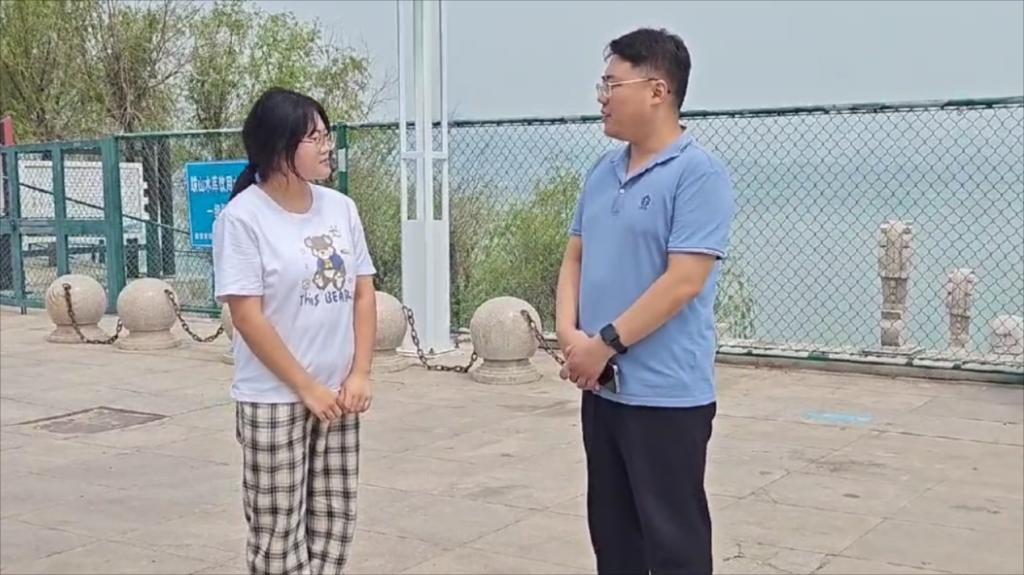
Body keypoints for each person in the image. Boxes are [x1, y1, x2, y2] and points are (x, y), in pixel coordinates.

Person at [555, 28, 736, 575]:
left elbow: (683, 282)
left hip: (666, 397)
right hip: (603, 390)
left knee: (674, 545)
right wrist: (570, 335)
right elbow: (575, 257)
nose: (602, 97)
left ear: (658, 91)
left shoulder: (697, 174)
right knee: (614, 541)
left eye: (612, 84)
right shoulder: (602, 172)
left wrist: (605, 344)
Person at [213, 87, 377, 575]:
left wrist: (360, 373)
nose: (327, 147)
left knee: (333, 524)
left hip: (339, 394)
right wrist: (306, 387)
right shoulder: (243, 218)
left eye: (327, 135)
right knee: (278, 535)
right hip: (274, 399)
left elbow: (363, 292)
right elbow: (247, 316)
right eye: (315, 138)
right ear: (280, 146)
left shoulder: (340, 208)